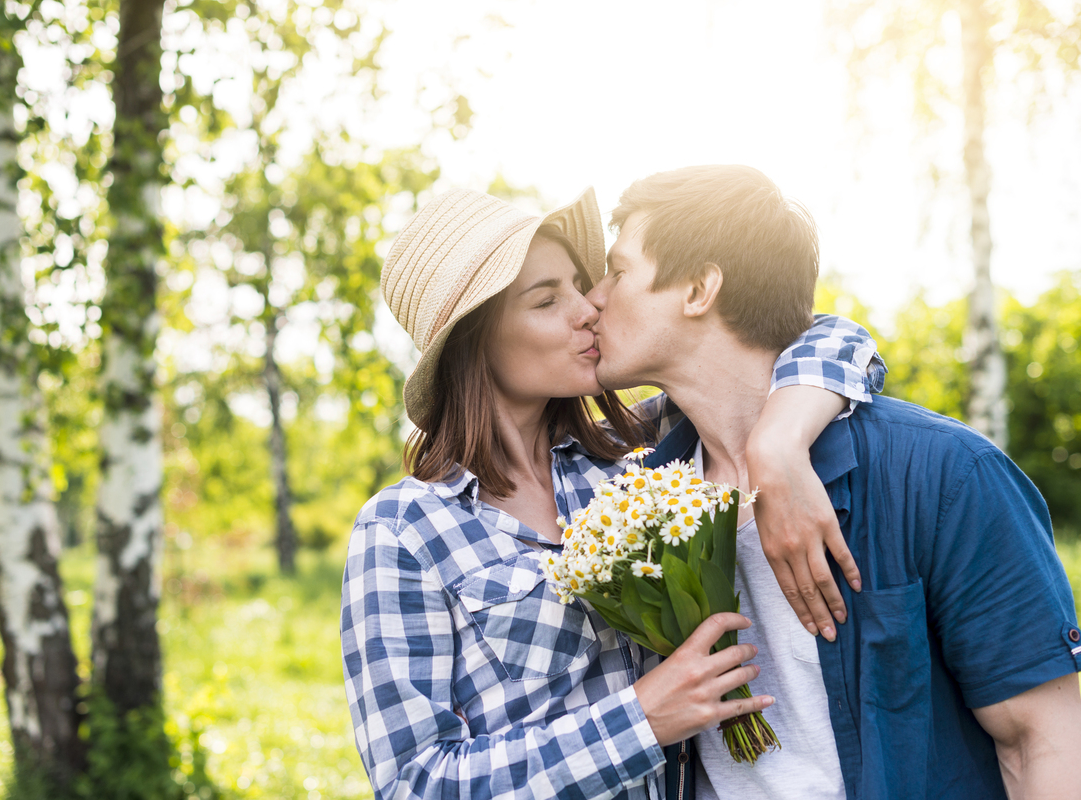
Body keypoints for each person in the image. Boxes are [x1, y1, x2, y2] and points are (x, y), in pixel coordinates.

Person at [340, 186, 886, 800]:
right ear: (476, 341)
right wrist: (640, 721)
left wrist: (780, 441)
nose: (588, 309)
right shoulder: (401, 531)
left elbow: (827, 339)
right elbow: (415, 783)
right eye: (548, 300)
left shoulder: (635, 462)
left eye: (581, 283)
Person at [585, 164, 1081, 800]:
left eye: (617, 271)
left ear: (698, 289)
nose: (595, 299)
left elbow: (1040, 740)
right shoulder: (635, 495)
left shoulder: (945, 475)